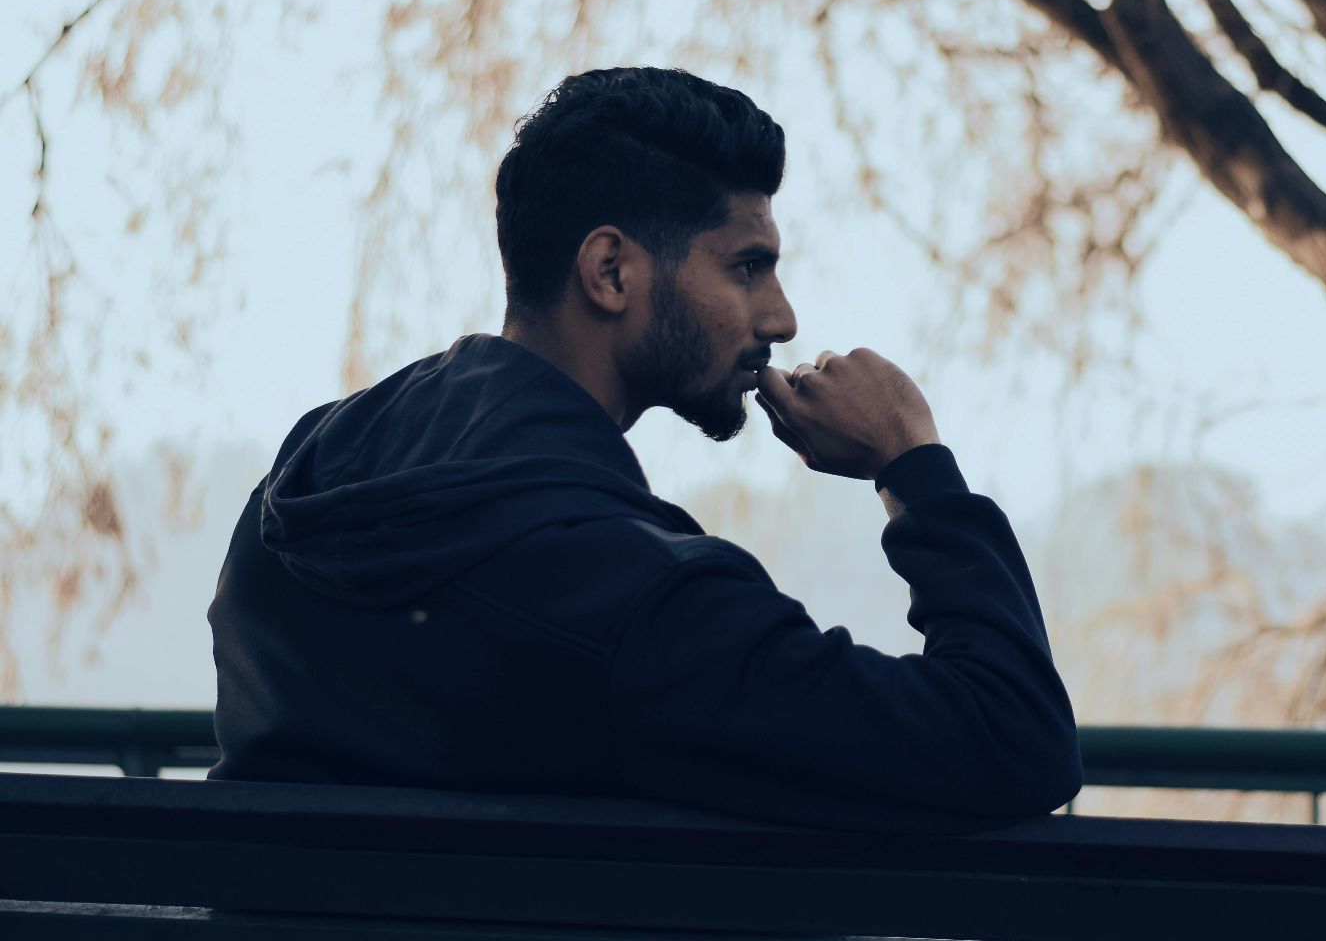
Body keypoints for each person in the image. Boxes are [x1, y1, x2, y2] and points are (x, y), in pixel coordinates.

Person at [206, 67, 1082, 832]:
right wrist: (913, 464)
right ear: (612, 273)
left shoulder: (299, 490)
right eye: (747, 266)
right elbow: (1012, 738)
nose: (780, 318)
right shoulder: (639, 606)